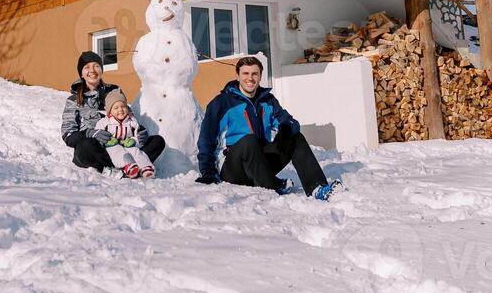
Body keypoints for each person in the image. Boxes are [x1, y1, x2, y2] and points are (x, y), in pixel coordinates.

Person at [195, 56, 341, 201]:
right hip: (232, 168)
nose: (250, 78)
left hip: (259, 163)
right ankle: (272, 185)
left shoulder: (267, 100)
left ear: (260, 76)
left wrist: (284, 132)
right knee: (249, 140)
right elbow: (206, 139)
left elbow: (289, 121)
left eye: (254, 74)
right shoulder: (222, 103)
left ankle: (317, 187)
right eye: (245, 74)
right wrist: (208, 172)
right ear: (238, 76)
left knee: (295, 138)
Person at [61, 51, 166, 173]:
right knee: (85, 147)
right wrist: (90, 133)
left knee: (157, 141)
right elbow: (68, 135)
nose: (92, 70)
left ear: (101, 69)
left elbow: (128, 116)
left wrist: (139, 133)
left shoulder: (114, 90)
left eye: (96, 66)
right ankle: (120, 168)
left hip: (123, 146)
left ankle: (128, 166)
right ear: (81, 73)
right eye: (86, 67)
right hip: (97, 150)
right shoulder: (73, 100)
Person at [92, 89, 156, 178]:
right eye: (116, 108)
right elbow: (97, 134)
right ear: (110, 111)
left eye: (123, 106)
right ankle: (128, 167)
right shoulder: (104, 122)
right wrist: (106, 141)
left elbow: (140, 134)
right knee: (118, 152)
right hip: (112, 147)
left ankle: (145, 168)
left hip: (128, 146)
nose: (120, 110)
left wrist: (134, 140)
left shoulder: (132, 121)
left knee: (136, 152)